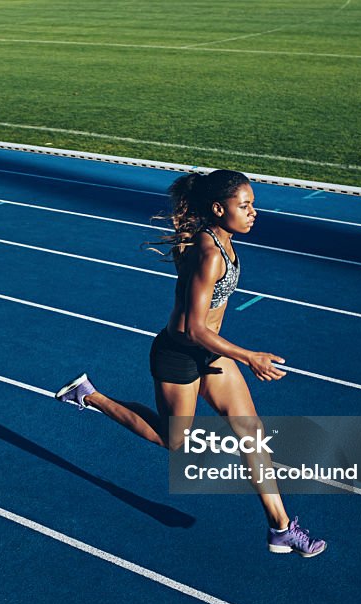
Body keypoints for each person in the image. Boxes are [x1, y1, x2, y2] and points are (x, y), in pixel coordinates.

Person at [55, 169, 326, 557]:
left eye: (253, 205)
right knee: (173, 440)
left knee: (251, 431)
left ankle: (281, 527)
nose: (253, 213)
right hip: (180, 356)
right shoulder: (210, 253)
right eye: (244, 205)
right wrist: (249, 357)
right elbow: (194, 329)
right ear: (219, 208)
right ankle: (89, 395)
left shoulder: (218, 238)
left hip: (209, 354)